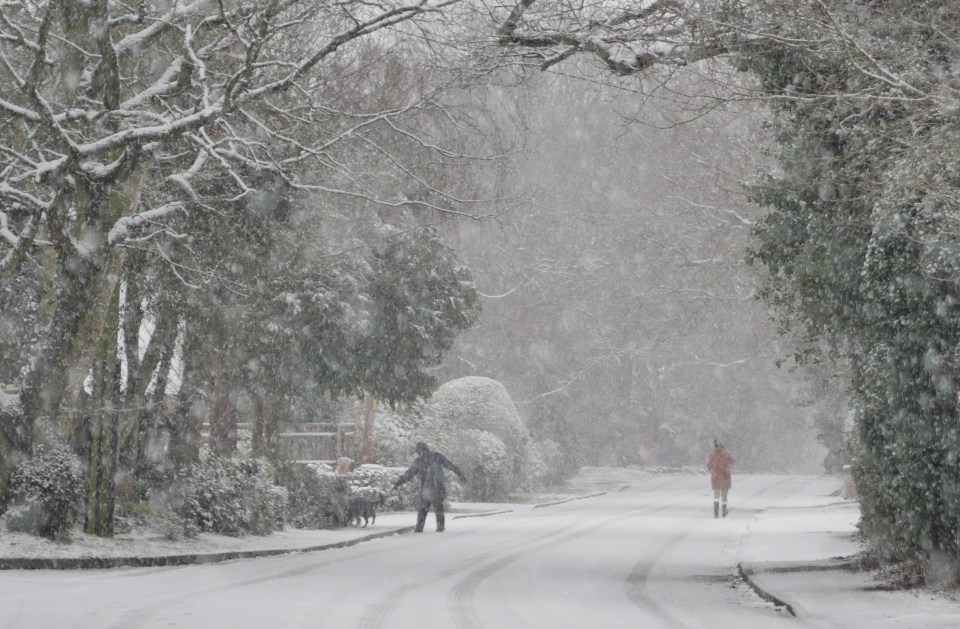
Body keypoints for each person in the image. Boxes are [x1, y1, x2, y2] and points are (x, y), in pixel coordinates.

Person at [392, 442, 467, 532]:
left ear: (419, 451)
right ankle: (440, 526)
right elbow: (450, 465)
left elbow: (409, 474)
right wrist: (460, 474)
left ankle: (419, 527)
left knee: (423, 508)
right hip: (438, 486)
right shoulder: (436, 456)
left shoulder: (419, 461)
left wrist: (398, 483)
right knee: (438, 507)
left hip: (426, 488)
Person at [707, 439, 734, 518]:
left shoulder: (711, 455)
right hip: (725, 476)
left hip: (715, 477)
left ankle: (715, 512)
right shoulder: (726, 454)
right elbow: (732, 461)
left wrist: (712, 469)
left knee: (716, 495)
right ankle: (724, 511)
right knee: (724, 495)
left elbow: (708, 465)